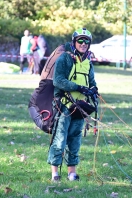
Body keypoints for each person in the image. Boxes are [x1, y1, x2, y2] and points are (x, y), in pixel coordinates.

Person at [47, 28, 98, 182]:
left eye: (86, 41)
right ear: (74, 42)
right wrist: (78, 87)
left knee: (75, 139)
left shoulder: (88, 62)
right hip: (64, 105)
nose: (83, 44)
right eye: (80, 41)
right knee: (60, 139)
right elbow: (58, 81)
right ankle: (55, 174)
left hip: (81, 106)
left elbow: (92, 82)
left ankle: (71, 174)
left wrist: (93, 90)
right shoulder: (65, 58)